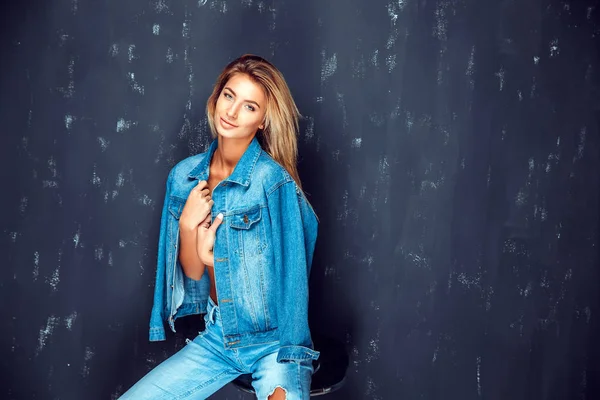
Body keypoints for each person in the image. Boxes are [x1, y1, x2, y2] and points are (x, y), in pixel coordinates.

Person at [120, 54, 319, 400]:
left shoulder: (273, 182)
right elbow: (194, 275)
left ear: (262, 122)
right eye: (229, 96)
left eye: (249, 106)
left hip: (274, 341)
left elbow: (293, 277)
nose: (231, 112)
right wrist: (186, 227)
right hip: (219, 337)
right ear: (216, 97)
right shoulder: (185, 177)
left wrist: (293, 354)